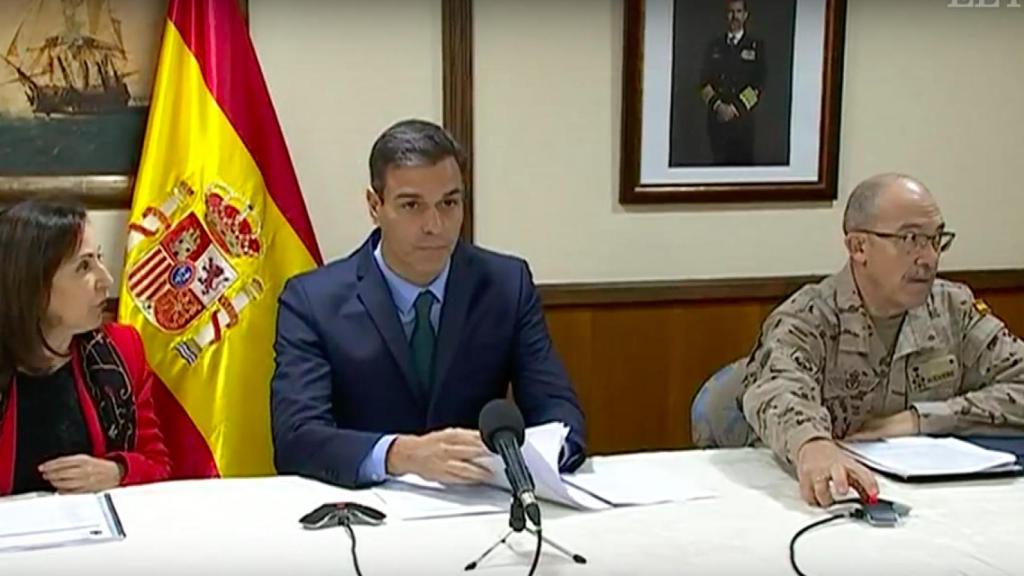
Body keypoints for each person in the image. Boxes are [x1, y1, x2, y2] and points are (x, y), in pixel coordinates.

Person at [271, 119, 586, 489]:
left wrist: (535, 459)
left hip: (481, 502)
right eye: (411, 205)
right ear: (375, 205)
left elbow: (560, 416)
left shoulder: (506, 284)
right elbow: (297, 438)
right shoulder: (312, 301)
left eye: (449, 203)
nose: (435, 225)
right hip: (364, 513)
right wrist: (401, 455)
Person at [742, 173, 1024, 507]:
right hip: (823, 499)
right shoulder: (809, 317)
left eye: (936, 239)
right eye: (911, 239)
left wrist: (921, 420)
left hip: (934, 500)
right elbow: (776, 388)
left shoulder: (953, 309)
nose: (929, 258)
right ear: (858, 247)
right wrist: (813, 445)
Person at [0, 200, 171, 495]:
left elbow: (158, 465)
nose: (107, 280)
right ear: (33, 285)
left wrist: (117, 471)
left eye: (100, 259)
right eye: (83, 266)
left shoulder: (121, 350)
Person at [699, 0, 765, 165]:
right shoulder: (714, 46)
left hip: (742, 123)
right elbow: (704, 83)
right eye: (730, 12)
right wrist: (719, 107)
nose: (734, 16)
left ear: (745, 15)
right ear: (725, 15)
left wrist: (734, 109)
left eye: (738, 11)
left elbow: (758, 85)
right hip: (717, 121)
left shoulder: (756, 46)